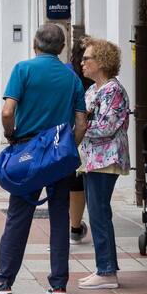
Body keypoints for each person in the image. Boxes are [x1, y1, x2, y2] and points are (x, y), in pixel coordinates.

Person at [0, 24, 88, 294]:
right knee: (59, 217)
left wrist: (11, 135)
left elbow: (8, 111)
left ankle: (4, 281)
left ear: (35, 44)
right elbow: (81, 122)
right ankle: (58, 284)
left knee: (18, 215)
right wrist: (69, 149)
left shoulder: (23, 69)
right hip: (58, 154)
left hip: (28, 151)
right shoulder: (72, 78)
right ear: (62, 47)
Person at [77, 37, 130, 290]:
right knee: (97, 212)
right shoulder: (92, 90)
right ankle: (104, 268)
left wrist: (79, 126)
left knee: (99, 213)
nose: (82, 62)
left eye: (87, 58)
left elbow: (106, 127)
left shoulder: (113, 91)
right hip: (92, 159)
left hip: (106, 158)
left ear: (102, 62)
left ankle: (107, 271)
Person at [66, 37, 94, 244]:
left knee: (72, 185)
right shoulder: (101, 79)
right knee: (83, 186)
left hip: (68, 136)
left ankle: (73, 227)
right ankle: (75, 227)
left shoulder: (66, 73)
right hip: (92, 140)